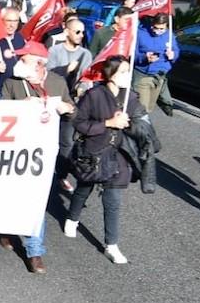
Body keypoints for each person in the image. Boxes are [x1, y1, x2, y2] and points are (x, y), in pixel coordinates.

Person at [62, 56, 147, 265]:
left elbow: (142, 125)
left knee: (113, 200)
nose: (127, 76)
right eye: (123, 72)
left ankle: (112, 245)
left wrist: (130, 125)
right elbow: (80, 122)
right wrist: (109, 122)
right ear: (110, 75)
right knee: (84, 188)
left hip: (120, 153)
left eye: (129, 71)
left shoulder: (132, 97)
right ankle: (73, 217)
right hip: (95, 151)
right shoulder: (94, 95)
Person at [0, 41, 74, 273]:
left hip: (42, 152)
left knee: (36, 199)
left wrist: (66, 108)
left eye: (25, 60)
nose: (20, 63)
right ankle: (6, 229)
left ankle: (34, 251)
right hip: (15, 150)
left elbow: (73, 112)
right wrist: (21, 107)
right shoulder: (12, 83)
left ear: (40, 64)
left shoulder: (56, 82)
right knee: (11, 196)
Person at [132, 12, 179, 116]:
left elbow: (176, 50)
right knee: (141, 108)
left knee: (149, 107)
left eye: (161, 29)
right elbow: (132, 55)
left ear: (166, 26)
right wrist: (145, 57)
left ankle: (141, 127)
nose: (157, 31)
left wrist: (173, 55)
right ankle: (139, 129)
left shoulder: (170, 36)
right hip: (143, 75)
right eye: (155, 28)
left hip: (159, 76)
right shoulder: (140, 33)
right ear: (152, 24)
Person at [0, 6, 27, 94]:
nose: (12, 25)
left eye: (15, 21)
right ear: (1, 20)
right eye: (9, 21)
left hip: (18, 90)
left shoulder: (20, 38)